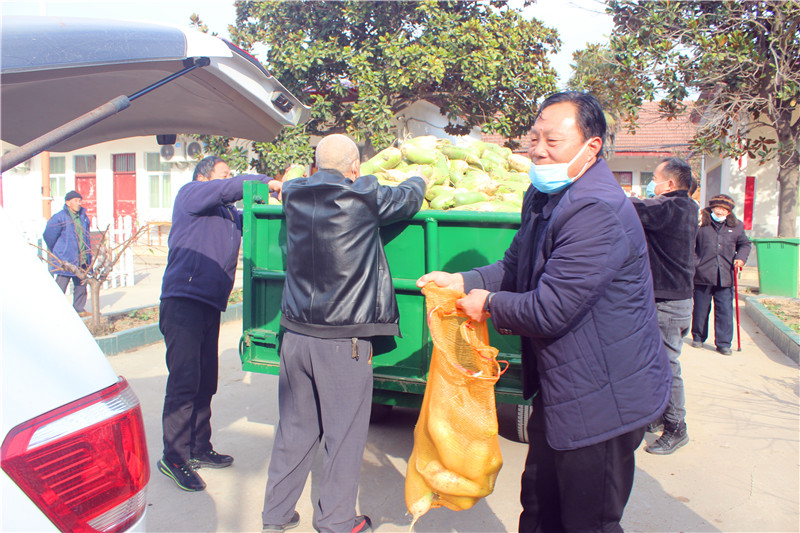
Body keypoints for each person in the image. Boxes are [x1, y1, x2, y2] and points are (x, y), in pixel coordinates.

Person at [417, 91, 671, 532]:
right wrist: (465, 281)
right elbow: (515, 266)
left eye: (553, 141)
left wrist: (488, 304)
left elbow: (552, 308)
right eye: (535, 138)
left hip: (604, 397)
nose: (538, 149)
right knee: (538, 506)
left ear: (591, 147)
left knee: (587, 521)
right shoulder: (542, 195)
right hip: (563, 388)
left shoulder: (596, 210)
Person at [260, 134, 427, 533]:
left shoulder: (294, 194)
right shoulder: (364, 195)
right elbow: (408, 198)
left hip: (295, 335)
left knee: (294, 430)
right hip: (344, 341)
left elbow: (290, 181)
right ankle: (336, 521)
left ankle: (275, 516)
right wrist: (419, 178)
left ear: (316, 166)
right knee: (344, 435)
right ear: (355, 168)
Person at [158, 156, 282, 492]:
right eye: (224, 174)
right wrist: (264, 180)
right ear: (204, 177)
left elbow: (255, 218)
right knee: (184, 381)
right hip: (182, 301)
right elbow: (229, 188)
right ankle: (174, 457)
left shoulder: (227, 215)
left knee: (205, 381)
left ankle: (199, 447)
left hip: (209, 305)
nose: (230, 179)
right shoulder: (190, 195)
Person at [630, 157, 699, 455]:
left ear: (669, 184)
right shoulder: (686, 207)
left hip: (669, 304)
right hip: (672, 299)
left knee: (667, 365)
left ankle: (676, 426)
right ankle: (658, 415)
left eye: (654, 178)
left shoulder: (671, 207)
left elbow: (630, 206)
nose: (651, 184)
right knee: (656, 363)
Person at [691, 194, 752, 355]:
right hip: (703, 273)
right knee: (700, 309)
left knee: (725, 311)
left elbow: (745, 244)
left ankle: (724, 343)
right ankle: (698, 336)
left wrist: (740, 258)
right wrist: (696, 262)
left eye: (724, 209)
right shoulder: (701, 223)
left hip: (725, 275)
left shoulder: (736, 225)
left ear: (729, 211)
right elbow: (691, 245)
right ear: (712, 208)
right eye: (718, 207)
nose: (720, 211)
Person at [43, 190, 92, 317]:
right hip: (66, 259)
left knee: (81, 286)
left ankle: (79, 310)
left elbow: (86, 236)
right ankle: (55, 311)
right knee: (60, 286)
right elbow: (48, 236)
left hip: (81, 258)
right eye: (75, 201)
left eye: (80, 200)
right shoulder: (59, 217)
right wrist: (59, 251)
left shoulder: (83, 217)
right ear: (67, 202)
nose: (79, 203)